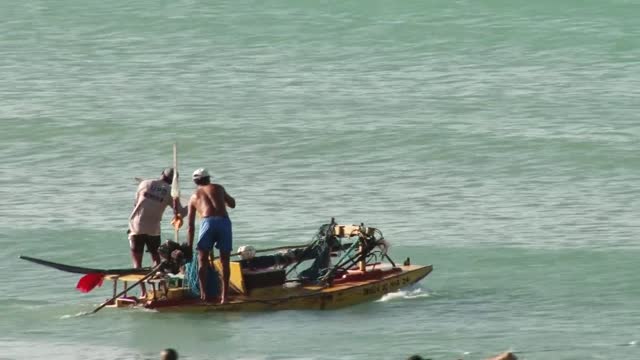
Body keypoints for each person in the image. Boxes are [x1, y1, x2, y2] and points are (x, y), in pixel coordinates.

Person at [128, 168, 187, 295]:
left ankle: (143, 292)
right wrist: (193, 204)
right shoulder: (171, 193)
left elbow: (136, 203)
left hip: (136, 226)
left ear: (161, 174)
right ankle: (159, 290)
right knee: (156, 260)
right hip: (153, 229)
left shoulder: (144, 184)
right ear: (173, 182)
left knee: (137, 263)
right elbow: (180, 213)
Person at [187, 168, 236, 304]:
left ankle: (203, 295)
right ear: (208, 179)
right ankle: (224, 297)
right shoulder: (218, 188)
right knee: (224, 261)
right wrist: (223, 199)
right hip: (223, 221)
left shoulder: (193, 197)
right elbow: (232, 204)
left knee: (202, 260)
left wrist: (189, 247)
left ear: (195, 182)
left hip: (207, 222)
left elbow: (190, 226)